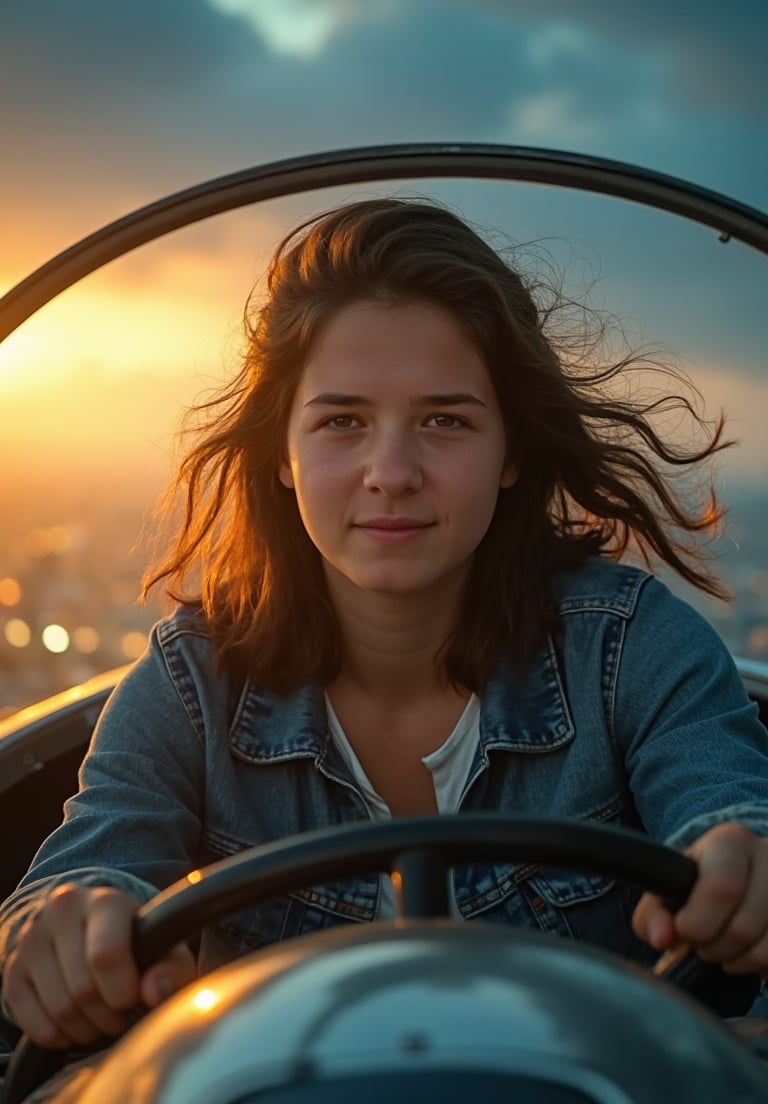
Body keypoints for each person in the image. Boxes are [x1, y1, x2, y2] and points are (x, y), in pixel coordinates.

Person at [2, 195, 768, 1059]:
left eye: (445, 420)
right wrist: (72, 926)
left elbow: (730, 804)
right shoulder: (193, 686)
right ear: (282, 458)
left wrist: (742, 858)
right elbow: (93, 859)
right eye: (342, 422)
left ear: (511, 451)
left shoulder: (631, 650)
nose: (391, 473)